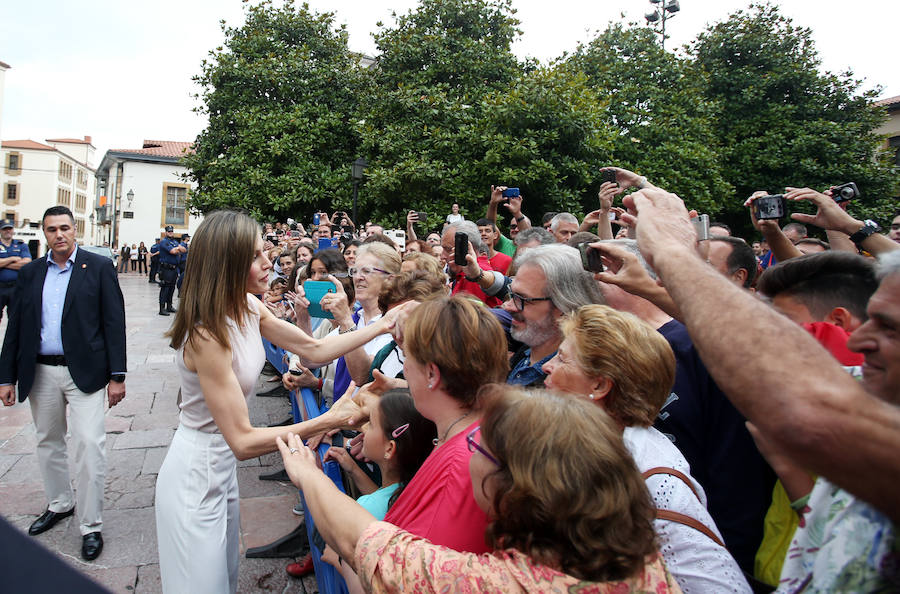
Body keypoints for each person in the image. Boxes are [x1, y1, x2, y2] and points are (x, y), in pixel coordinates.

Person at [626, 187, 900, 590]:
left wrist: (671, 252)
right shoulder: (864, 387)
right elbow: (749, 344)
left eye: (890, 328)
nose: (859, 340)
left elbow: (801, 406)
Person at [154, 210, 411, 593]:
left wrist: (384, 325)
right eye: (256, 256)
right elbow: (242, 441)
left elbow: (315, 348)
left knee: (223, 579)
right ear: (228, 262)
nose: (268, 262)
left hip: (220, 469)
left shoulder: (248, 306)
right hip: (196, 470)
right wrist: (328, 420)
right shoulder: (206, 335)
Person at [276, 385, 680, 592]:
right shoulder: (643, 561)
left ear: (516, 487)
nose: (468, 451)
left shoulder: (500, 584)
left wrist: (308, 475)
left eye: (480, 445)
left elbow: (371, 546)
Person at [543, 304, 750, 592]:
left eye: (563, 359)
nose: (546, 366)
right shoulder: (584, 443)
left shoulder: (655, 481)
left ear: (600, 385)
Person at [0, 205, 126, 562]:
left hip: (84, 372)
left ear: (75, 231)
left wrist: (117, 376)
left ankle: (91, 524)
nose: (59, 235)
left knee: (89, 444)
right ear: (44, 233)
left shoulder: (98, 267)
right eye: (52, 229)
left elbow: (114, 323)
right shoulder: (31, 273)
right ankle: (60, 503)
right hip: (40, 371)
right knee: (48, 441)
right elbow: (17, 328)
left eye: (65, 228)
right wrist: (5, 376)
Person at [502, 244, 602, 387]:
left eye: (522, 299)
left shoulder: (565, 390)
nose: (508, 306)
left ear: (564, 307)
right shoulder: (523, 352)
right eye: (512, 294)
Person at [0, 218, 31, 323]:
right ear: (0, 230)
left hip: (15, 287)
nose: (7, 231)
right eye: (5, 229)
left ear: (13, 230)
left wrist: (3, 264)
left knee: (15, 318)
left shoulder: (21, 245)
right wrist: (12, 259)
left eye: (9, 228)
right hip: (0, 286)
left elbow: (26, 263)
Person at [157, 225, 185, 316]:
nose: (170, 233)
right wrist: (178, 249)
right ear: (166, 232)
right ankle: (162, 308)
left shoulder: (174, 241)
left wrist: (178, 249)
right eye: (169, 231)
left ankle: (169, 306)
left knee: (172, 288)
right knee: (165, 288)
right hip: (166, 269)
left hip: (174, 268)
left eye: (171, 231)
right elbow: (173, 251)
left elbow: (184, 250)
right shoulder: (164, 242)